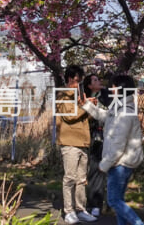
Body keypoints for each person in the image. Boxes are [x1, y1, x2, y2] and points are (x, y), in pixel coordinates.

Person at [84, 73, 144, 225]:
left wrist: (103, 165)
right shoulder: (120, 107)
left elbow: (118, 145)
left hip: (120, 163)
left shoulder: (125, 111)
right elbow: (104, 116)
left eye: (113, 87)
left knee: (114, 201)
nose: (110, 89)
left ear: (120, 89)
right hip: (121, 162)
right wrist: (86, 104)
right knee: (118, 201)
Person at [56, 65, 97, 223]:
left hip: (83, 141)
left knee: (81, 179)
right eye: (75, 81)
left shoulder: (79, 95)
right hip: (69, 142)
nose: (77, 84)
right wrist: (86, 106)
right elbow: (70, 116)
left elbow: (85, 118)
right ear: (68, 80)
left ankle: (80, 209)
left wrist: (91, 106)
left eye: (79, 82)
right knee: (70, 178)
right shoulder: (62, 95)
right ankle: (69, 211)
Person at [83, 72, 108, 218]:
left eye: (99, 79)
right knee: (93, 170)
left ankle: (97, 203)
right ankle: (91, 203)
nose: (99, 81)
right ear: (89, 85)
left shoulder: (105, 97)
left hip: (104, 137)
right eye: (95, 80)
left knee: (100, 170)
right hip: (90, 136)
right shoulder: (85, 99)